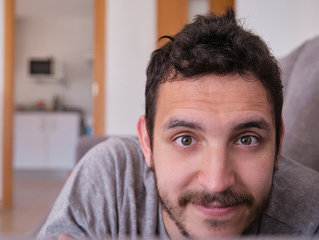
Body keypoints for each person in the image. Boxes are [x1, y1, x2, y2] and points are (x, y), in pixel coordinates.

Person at [37, 9, 319, 239]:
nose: (216, 183)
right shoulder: (110, 180)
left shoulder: (310, 216)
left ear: (278, 143)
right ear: (146, 143)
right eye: (185, 139)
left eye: (247, 139)